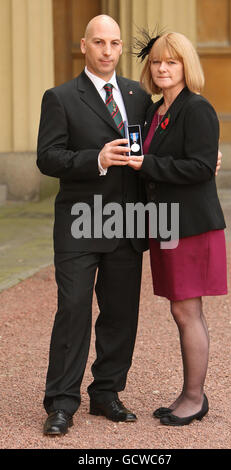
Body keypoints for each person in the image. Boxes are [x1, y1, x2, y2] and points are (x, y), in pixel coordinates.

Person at [37, 14, 152, 435]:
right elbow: (47, 157)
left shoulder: (139, 95)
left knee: (121, 313)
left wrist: (201, 160)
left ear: (121, 48)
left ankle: (106, 393)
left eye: (115, 43)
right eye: (99, 42)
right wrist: (95, 159)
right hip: (79, 222)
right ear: (84, 46)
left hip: (128, 220)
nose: (107, 51)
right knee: (73, 309)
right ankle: (62, 403)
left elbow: (160, 143)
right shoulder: (61, 97)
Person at [128, 31, 227, 426]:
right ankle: (190, 393)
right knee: (180, 309)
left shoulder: (197, 109)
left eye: (171, 61)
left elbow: (202, 168)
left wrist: (147, 166)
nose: (162, 68)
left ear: (186, 66)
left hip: (192, 226)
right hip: (166, 223)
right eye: (156, 62)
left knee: (187, 310)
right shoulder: (155, 112)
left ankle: (193, 397)